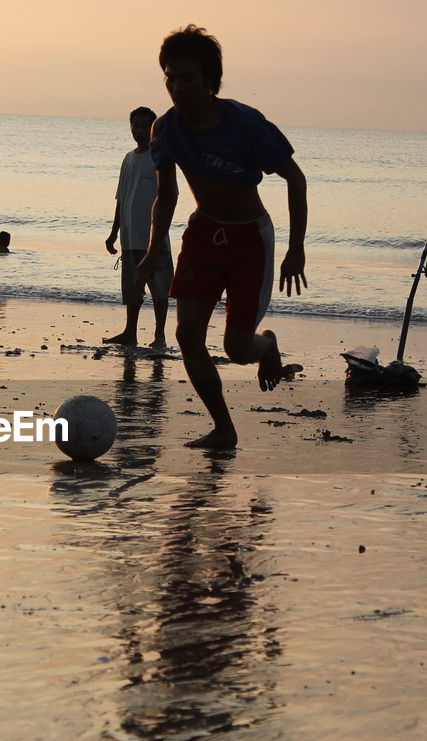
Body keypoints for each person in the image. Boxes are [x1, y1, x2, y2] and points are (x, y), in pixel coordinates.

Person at [136, 25, 307, 449]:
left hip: (250, 240)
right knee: (186, 335)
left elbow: (295, 179)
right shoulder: (166, 129)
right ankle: (223, 429)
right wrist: (154, 247)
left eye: (187, 78)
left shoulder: (245, 124)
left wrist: (295, 248)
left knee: (235, 347)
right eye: (170, 77)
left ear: (210, 81)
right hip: (203, 233)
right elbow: (167, 194)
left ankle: (265, 345)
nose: (177, 87)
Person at [105, 105, 171, 348]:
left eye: (146, 126)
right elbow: (121, 199)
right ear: (130, 127)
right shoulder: (128, 159)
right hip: (130, 238)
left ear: (154, 129)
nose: (140, 130)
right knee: (133, 289)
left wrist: (159, 234)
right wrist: (114, 233)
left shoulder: (158, 157)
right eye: (136, 125)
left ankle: (159, 335)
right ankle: (130, 332)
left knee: (159, 289)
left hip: (155, 240)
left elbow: (167, 196)